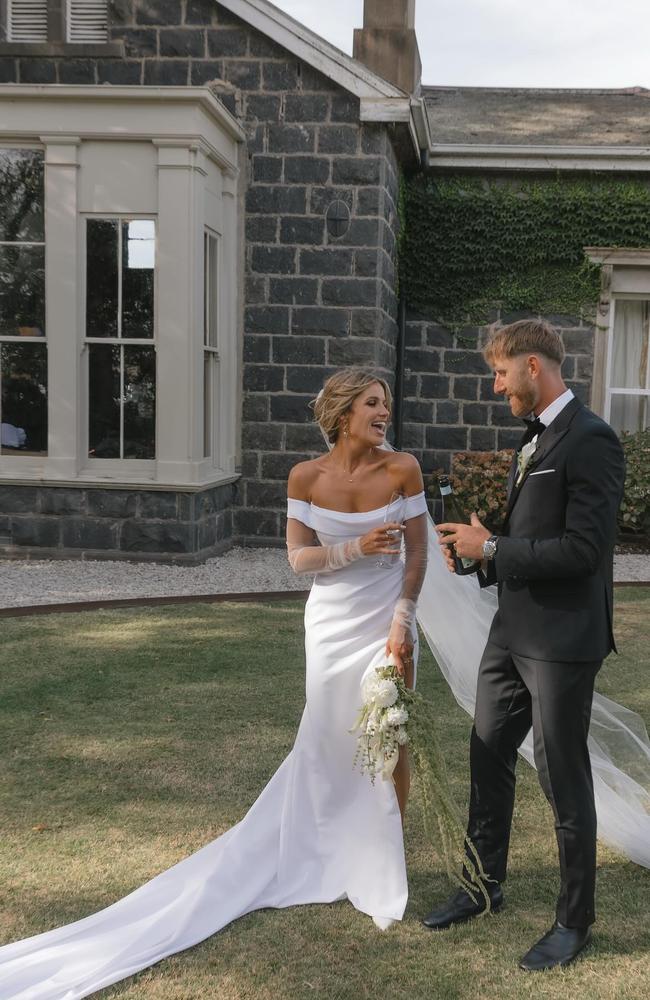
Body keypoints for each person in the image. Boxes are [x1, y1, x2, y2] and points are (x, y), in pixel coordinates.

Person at [0, 367, 428, 999]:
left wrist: (401, 623)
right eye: (372, 404)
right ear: (342, 414)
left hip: (385, 620)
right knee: (325, 737)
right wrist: (358, 548)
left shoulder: (403, 470)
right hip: (332, 623)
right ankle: (322, 849)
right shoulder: (305, 477)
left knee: (390, 734)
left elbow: (417, 554)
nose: (383, 413)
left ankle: (384, 858)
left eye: (385, 404)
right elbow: (299, 559)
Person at [422, 320, 626, 972]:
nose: (495, 384)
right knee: (487, 754)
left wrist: (498, 548)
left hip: (563, 640)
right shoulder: (529, 438)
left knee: (564, 776)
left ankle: (575, 921)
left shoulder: (591, 440)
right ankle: (484, 887)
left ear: (533, 367)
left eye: (501, 373)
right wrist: (482, 557)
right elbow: (529, 535)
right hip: (510, 632)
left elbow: (585, 551)